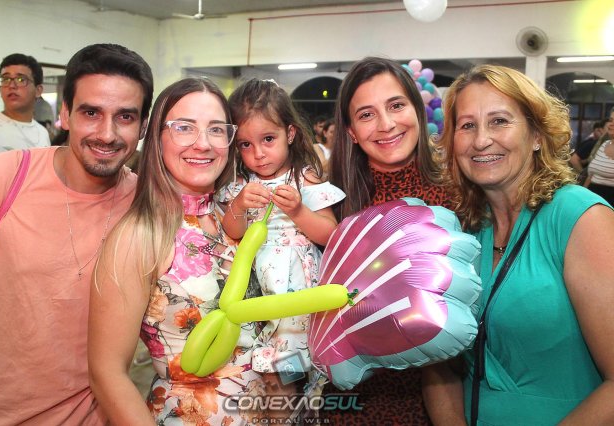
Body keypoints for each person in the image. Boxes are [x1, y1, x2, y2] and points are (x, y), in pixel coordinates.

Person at [424, 64, 614, 425]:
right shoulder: (463, 229)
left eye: (499, 121)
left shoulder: (580, 219)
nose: (481, 140)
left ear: (537, 134)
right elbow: (440, 363)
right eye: (467, 126)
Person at [0, 43, 153, 424]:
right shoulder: (2, 177)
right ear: (66, 114)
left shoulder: (148, 207)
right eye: (91, 112)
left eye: (125, 116)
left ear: (142, 126)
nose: (107, 134)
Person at [88, 77, 274, 424]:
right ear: (157, 138)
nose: (203, 144)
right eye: (184, 127)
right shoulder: (140, 235)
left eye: (216, 130)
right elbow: (107, 373)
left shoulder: (232, 216)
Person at [326, 56, 452, 424]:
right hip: (354, 398)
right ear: (351, 131)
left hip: (443, 390)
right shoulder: (331, 203)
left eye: (396, 105)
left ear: (417, 110)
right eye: (366, 114)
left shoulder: (458, 194)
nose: (386, 124)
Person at [222, 79, 344, 389]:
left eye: (268, 139)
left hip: (298, 288)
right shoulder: (242, 184)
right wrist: (239, 205)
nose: (258, 154)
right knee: (272, 369)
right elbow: (232, 231)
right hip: (259, 290)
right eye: (245, 145)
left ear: (290, 134)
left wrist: (299, 211)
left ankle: (302, 397)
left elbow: (330, 234)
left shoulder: (304, 178)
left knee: (295, 362)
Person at [0, 53, 51, 164]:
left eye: (21, 79)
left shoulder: (42, 133)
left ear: (38, 90)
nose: (11, 86)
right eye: (5, 79)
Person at [584, 108, 614, 204]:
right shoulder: (604, 144)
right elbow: (591, 176)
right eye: (610, 120)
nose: (611, 124)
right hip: (591, 200)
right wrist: (583, 198)